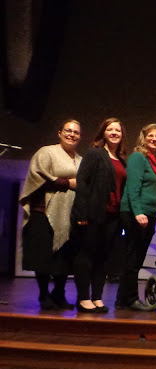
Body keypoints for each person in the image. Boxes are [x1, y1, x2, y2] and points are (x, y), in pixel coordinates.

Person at [20, 119, 82, 309]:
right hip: (44, 212)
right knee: (43, 257)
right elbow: (37, 177)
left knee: (64, 257)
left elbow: (85, 184)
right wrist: (68, 183)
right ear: (59, 133)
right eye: (68, 130)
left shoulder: (81, 160)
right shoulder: (46, 152)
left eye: (76, 132)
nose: (72, 134)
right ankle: (43, 295)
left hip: (69, 216)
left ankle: (59, 294)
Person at [71, 118, 127, 313]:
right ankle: (83, 298)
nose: (114, 133)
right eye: (110, 129)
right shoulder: (95, 154)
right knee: (86, 255)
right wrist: (82, 213)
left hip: (113, 216)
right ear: (103, 132)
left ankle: (97, 297)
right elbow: (82, 182)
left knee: (103, 258)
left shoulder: (122, 160)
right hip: (93, 213)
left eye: (117, 130)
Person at [116, 123, 156, 311]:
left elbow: (152, 191)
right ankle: (130, 298)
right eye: (150, 135)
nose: (154, 139)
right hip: (135, 213)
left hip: (149, 213)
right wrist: (138, 212)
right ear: (143, 138)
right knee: (133, 258)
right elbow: (132, 188)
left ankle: (122, 300)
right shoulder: (138, 158)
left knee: (137, 259)